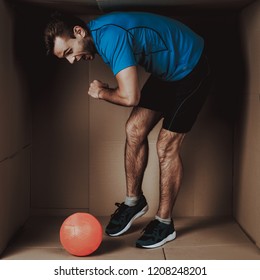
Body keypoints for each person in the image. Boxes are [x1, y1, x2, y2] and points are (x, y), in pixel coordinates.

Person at [44, 11, 211, 249]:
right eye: (65, 58)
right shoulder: (99, 36)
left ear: (79, 32)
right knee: (134, 128)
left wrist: (101, 92)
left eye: (69, 52)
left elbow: (131, 96)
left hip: (191, 66)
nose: (72, 61)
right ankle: (134, 202)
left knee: (166, 145)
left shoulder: (110, 38)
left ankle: (164, 223)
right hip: (168, 73)